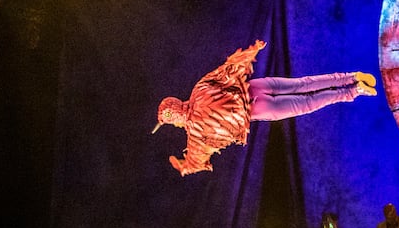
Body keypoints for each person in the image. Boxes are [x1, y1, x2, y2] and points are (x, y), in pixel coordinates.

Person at [152, 40, 377, 175]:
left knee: (307, 103)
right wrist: (249, 53)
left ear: (175, 119)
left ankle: (353, 90)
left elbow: (197, 160)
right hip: (256, 87)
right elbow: (225, 71)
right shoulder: (198, 90)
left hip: (260, 110)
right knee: (303, 84)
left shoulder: (196, 134)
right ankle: (351, 76)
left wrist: (184, 166)